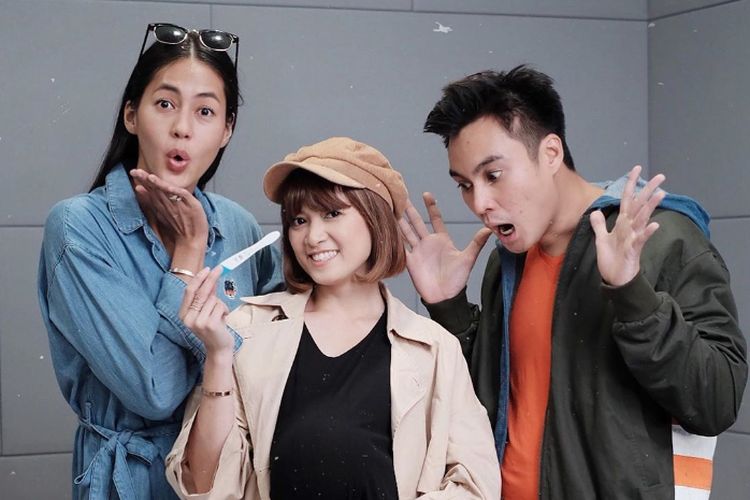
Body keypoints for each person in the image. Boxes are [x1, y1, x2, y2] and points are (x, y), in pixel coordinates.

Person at [399, 65, 747, 499]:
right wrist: (449, 308)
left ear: (550, 153)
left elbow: (717, 402)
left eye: (493, 175)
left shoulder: (659, 239)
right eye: (464, 185)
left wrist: (633, 295)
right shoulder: (507, 262)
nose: (480, 203)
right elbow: (489, 405)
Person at [165, 137, 501, 499]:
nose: (312, 237)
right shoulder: (247, 330)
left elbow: (475, 485)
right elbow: (204, 485)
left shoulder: (434, 348)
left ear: (375, 218)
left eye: (331, 214)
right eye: (299, 220)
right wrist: (218, 356)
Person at [37, 23, 282, 500]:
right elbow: (156, 392)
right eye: (165, 104)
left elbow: (278, 353)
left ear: (227, 129)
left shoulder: (238, 225)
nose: (182, 128)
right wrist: (189, 254)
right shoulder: (78, 227)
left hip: (227, 478)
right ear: (132, 115)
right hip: (135, 482)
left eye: (205, 111)